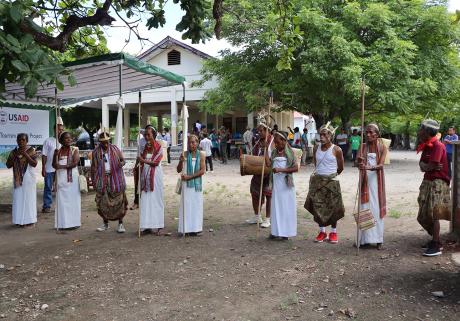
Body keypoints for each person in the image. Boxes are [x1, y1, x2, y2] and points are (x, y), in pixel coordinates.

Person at [304, 123, 345, 243]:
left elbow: (341, 168)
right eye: (320, 134)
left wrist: (330, 176)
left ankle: (333, 232)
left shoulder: (337, 149)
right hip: (318, 182)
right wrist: (320, 177)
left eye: (324, 134)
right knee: (318, 206)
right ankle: (322, 232)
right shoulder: (316, 148)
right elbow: (316, 165)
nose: (321, 137)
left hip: (332, 182)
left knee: (333, 207)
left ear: (330, 136)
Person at [416, 119, 451, 257]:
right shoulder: (427, 146)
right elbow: (423, 166)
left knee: (434, 213)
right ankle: (435, 240)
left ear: (427, 131)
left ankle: (436, 244)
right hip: (428, 181)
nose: (419, 132)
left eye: (421, 129)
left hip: (437, 183)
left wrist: (427, 166)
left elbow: (431, 165)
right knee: (424, 212)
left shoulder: (438, 146)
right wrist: (427, 166)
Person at [357, 124, 388, 250]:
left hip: (376, 181)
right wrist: (359, 161)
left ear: (377, 134)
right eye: (366, 132)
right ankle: (364, 240)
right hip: (365, 181)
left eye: (370, 132)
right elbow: (357, 163)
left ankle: (378, 239)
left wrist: (369, 167)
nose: (368, 135)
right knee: (364, 208)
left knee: (376, 209)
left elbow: (380, 165)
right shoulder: (362, 146)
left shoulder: (382, 147)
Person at [91, 130, 128, 233]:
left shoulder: (115, 149)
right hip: (102, 179)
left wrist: (122, 163)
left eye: (107, 141)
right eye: (103, 142)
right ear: (99, 142)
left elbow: (122, 160)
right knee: (103, 203)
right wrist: (94, 180)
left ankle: (120, 224)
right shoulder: (95, 152)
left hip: (116, 179)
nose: (106, 144)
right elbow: (93, 167)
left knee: (119, 202)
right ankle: (105, 224)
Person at [265, 131, 298, 240]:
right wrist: (265, 150)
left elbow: (295, 168)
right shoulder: (274, 152)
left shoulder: (291, 153)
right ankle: (275, 232)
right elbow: (269, 164)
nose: (275, 143)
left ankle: (285, 233)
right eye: (274, 142)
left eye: (277, 141)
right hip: (276, 185)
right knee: (276, 207)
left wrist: (281, 170)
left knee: (285, 208)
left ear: (284, 141)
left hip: (286, 185)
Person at [6, 133, 38, 227]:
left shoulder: (31, 150)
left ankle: (30, 220)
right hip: (17, 179)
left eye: (23, 140)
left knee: (29, 199)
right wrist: (14, 157)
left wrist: (25, 154)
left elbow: (34, 164)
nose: (21, 142)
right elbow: (8, 165)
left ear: (27, 141)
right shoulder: (13, 152)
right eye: (19, 140)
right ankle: (19, 220)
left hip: (29, 179)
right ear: (16, 141)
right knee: (18, 199)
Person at [246, 124, 274, 228]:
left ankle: (268, 219)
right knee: (254, 192)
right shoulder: (257, 142)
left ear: (268, 131)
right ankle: (257, 216)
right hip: (258, 173)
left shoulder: (272, 141)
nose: (259, 133)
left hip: (269, 173)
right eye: (258, 131)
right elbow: (254, 156)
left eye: (261, 131)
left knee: (268, 195)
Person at [177, 135, 206, 236]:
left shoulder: (202, 155)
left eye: (193, 142)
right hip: (186, 185)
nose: (191, 144)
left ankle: (196, 228)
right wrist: (181, 161)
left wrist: (190, 177)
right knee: (186, 205)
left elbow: (202, 170)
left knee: (196, 206)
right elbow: (178, 169)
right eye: (189, 142)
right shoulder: (184, 154)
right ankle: (186, 228)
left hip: (196, 185)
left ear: (197, 143)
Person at [53, 132, 81, 230]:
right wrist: (54, 156)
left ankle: (74, 222)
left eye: (70, 138)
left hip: (72, 179)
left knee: (73, 200)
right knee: (62, 202)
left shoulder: (75, 150)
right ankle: (63, 224)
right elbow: (54, 165)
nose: (68, 140)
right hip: (61, 179)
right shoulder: (58, 151)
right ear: (61, 141)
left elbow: (75, 163)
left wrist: (61, 166)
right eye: (66, 138)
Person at [139, 127, 164, 235]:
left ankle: (158, 225)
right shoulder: (145, 146)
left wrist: (143, 160)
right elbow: (142, 159)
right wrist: (140, 161)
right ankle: (146, 226)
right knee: (146, 199)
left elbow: (156, 162)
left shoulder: (159, 147)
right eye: (145, 135)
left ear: (154, 135)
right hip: (145, 175)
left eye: (149, 135)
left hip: (155, 175)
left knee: (156, 199)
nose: (147, 137)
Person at [41, 117, 64, 213]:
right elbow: (44, 155)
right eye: (59, 129)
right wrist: (43, 167)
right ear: (54, 129)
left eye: (62, 129)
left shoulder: (64, 142)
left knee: (61, 187)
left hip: (60, 168)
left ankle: (61, 205)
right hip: (49, 168)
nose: (60, 131)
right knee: (48, 187)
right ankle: (47, 205)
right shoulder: (48, 141)